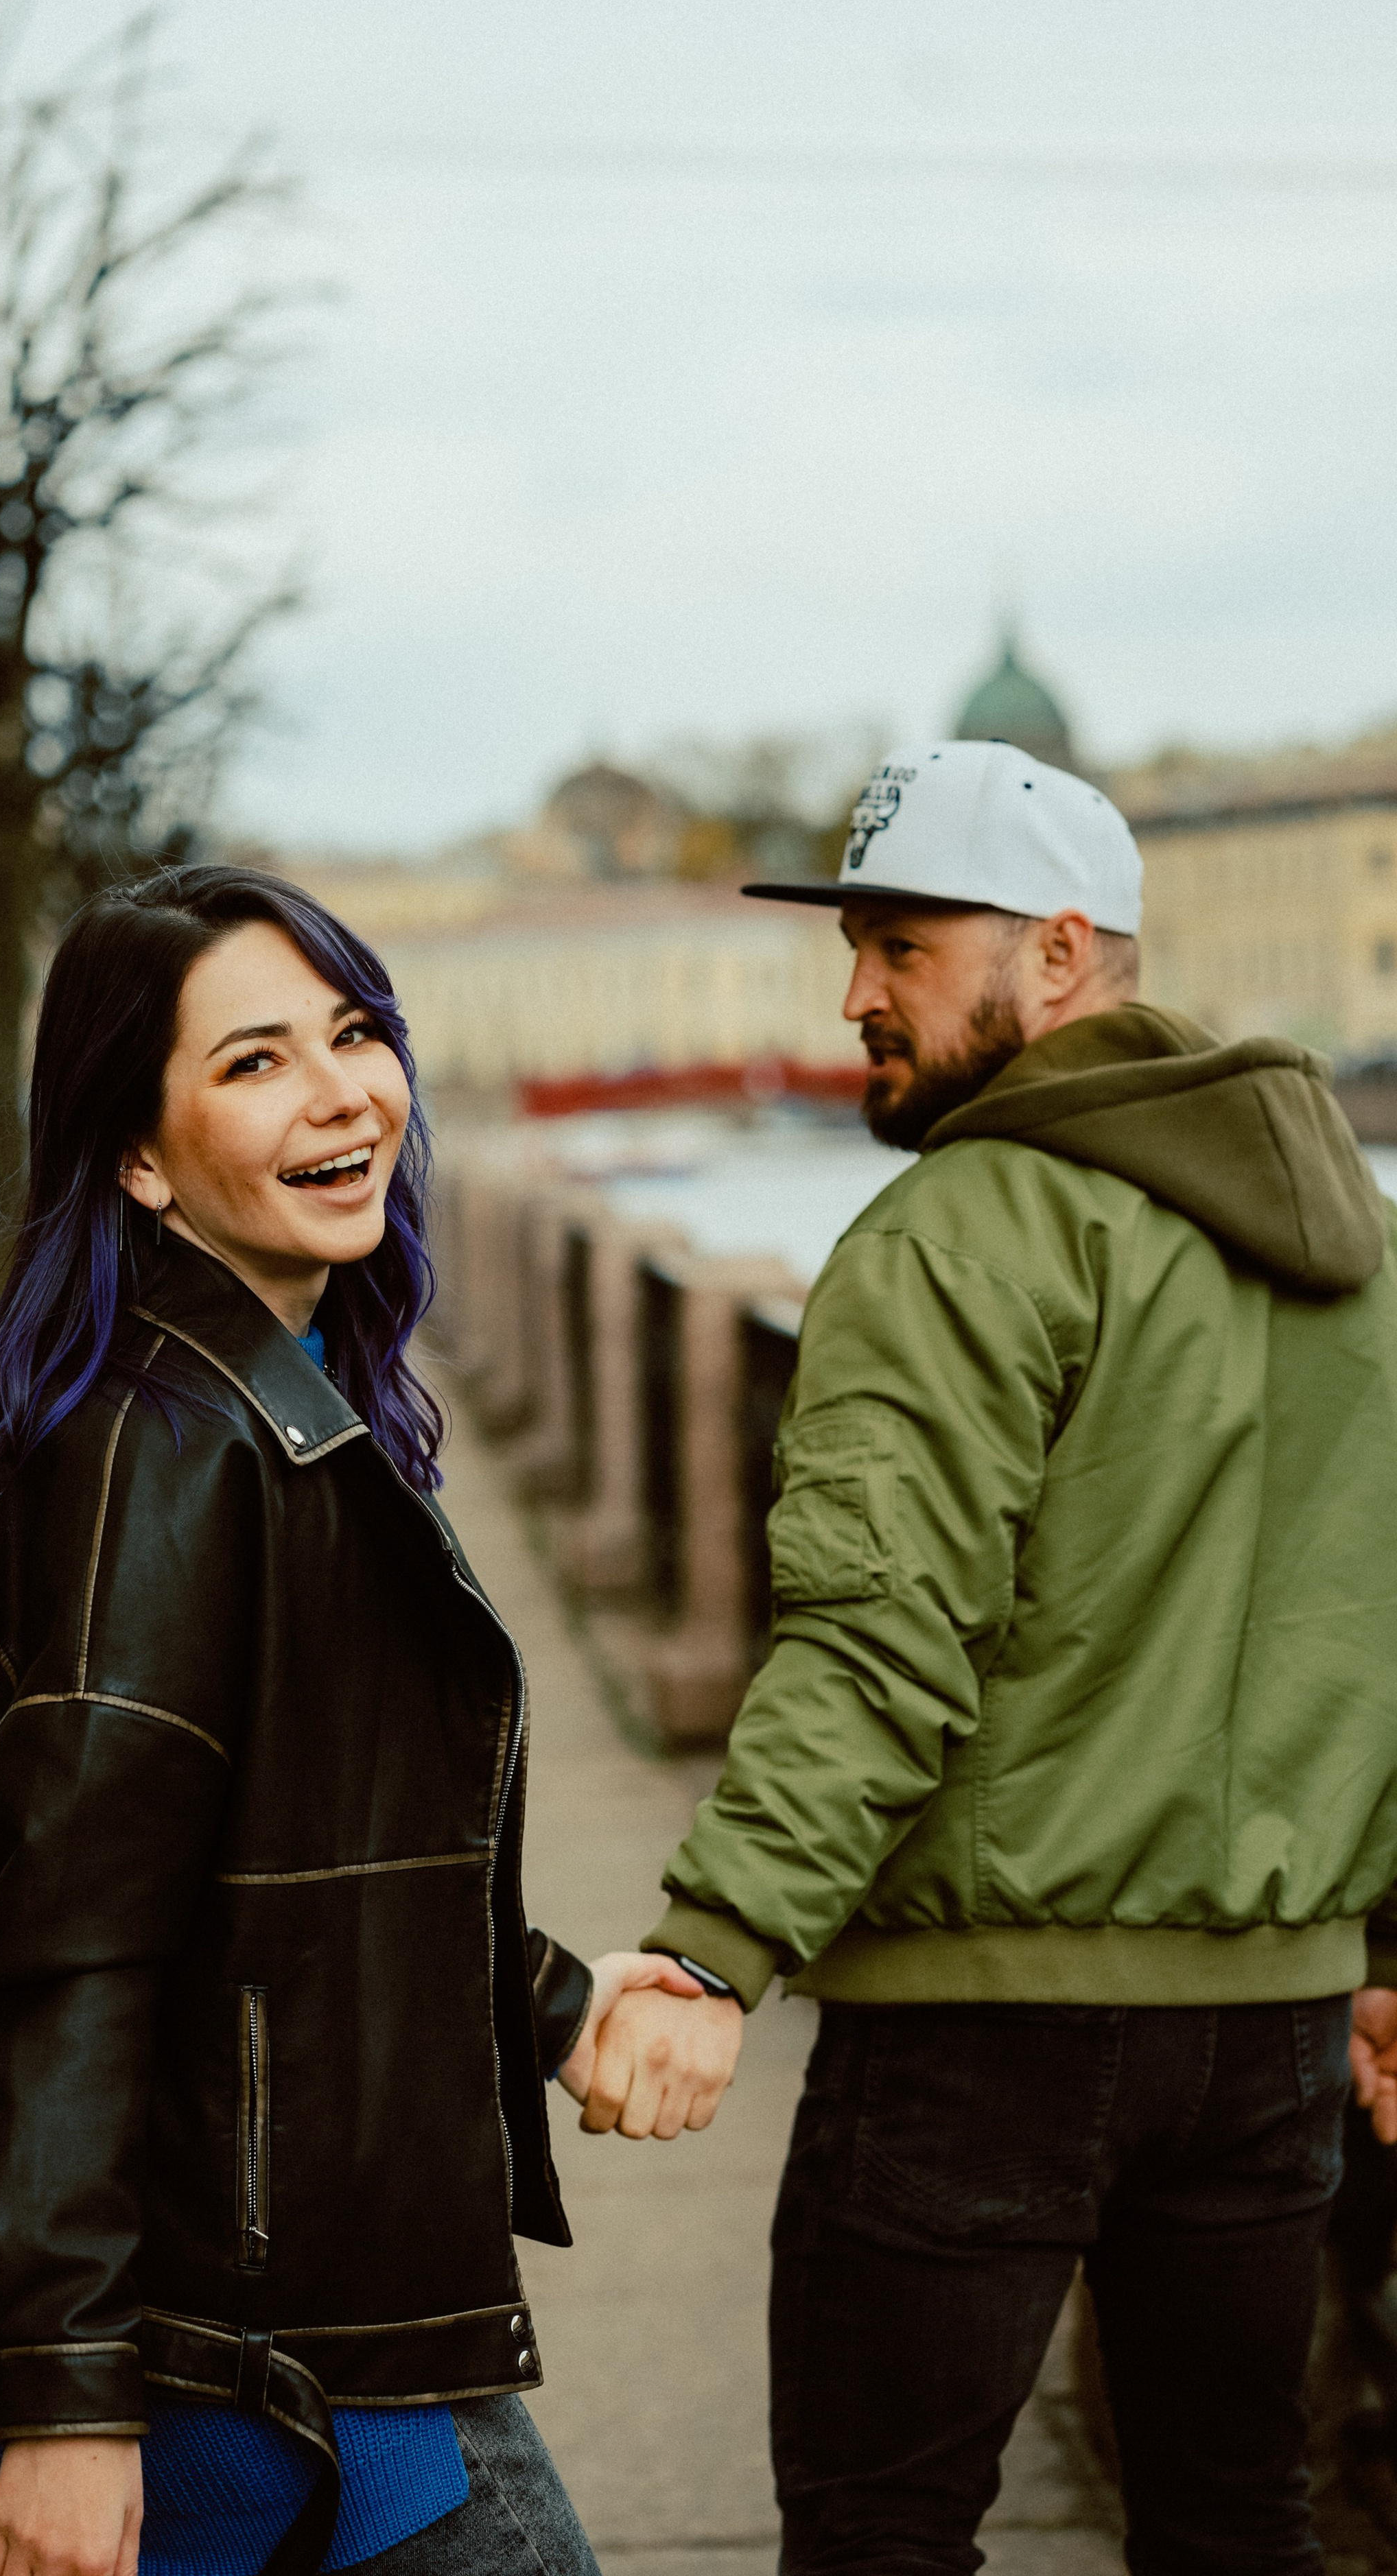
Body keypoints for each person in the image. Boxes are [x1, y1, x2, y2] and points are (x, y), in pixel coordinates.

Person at [583, 740, 1397, 2573]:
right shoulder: (1365, 1252)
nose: (856, 994)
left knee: (883, 2535)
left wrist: (714, 1956)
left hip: (985, 2022)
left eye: (902, 945)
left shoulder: (954, 1235)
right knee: (1236, 2525)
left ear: (1053, 954)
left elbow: (877, 1645)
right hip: (1268, 2029)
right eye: (853, 947)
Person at [0, 866, 703, 2576]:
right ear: (136, 1153)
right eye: (255, 1061)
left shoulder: (272, 1413)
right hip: (250, 2342)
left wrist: (548, 2003)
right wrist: (64, 2402)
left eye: (354, 1032)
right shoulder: (167, 1459)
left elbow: (290, 1871)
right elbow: (61, 1957)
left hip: (291, 2297)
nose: (344, 1090)